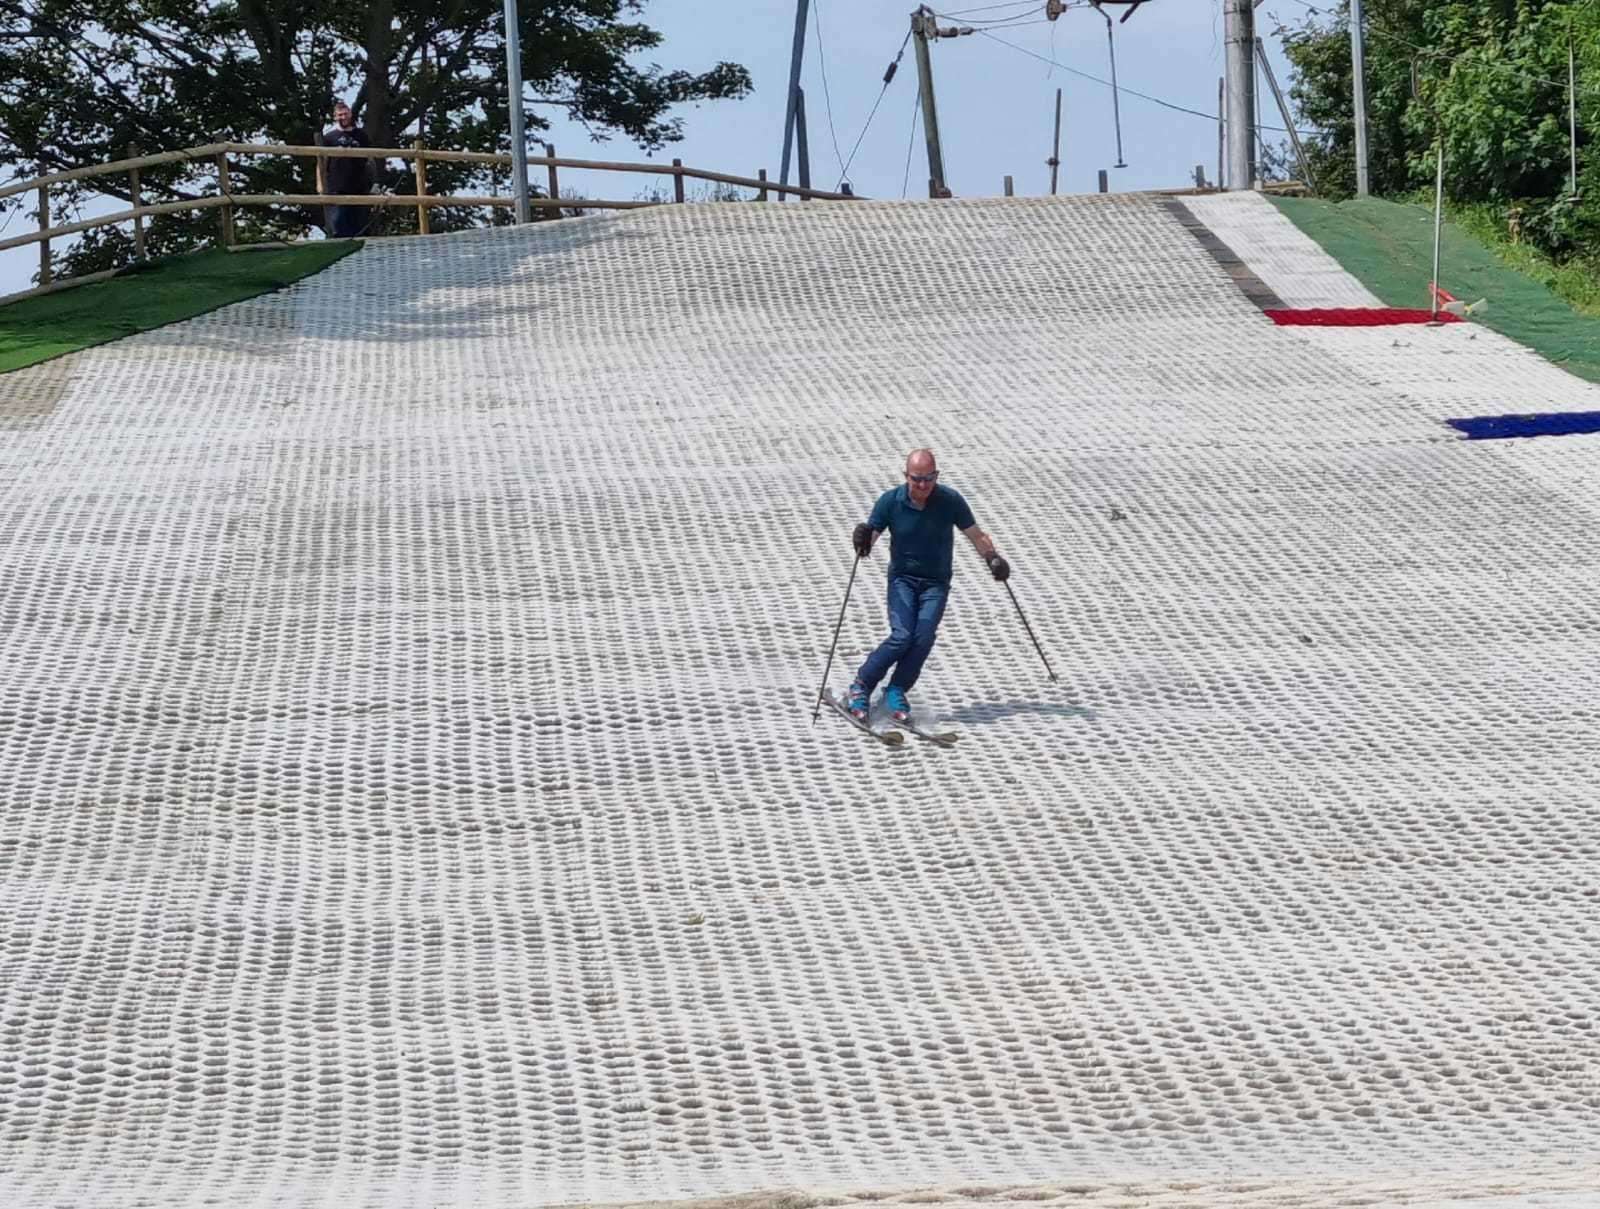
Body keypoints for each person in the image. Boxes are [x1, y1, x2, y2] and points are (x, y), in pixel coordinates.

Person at [847, 449, 1010, 721]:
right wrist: (861, 539)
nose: (923, 485)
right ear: (906, 476)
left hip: (936, 582)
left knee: (923, 636)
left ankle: (897, 688)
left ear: (937, 475)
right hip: (903, 580)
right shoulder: (890, 501)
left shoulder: (950, 500)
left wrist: (993, 558)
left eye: (929, 478)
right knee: (902, 636)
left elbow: (975, 534)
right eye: (917, 479)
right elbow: (868, 543)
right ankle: (861, 685)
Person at [321, 101, 375, 238]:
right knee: (338, 224)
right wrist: (320, 184)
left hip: (360, 185)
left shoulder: (362, 135)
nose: (343, 117)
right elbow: (322, 162)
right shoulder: (329, 138)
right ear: (335, 116)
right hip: (337, 186)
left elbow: (370, 160)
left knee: (360, 225)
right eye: (340, 115)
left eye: (345, 114)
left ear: (350, 114)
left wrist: (374, 182)